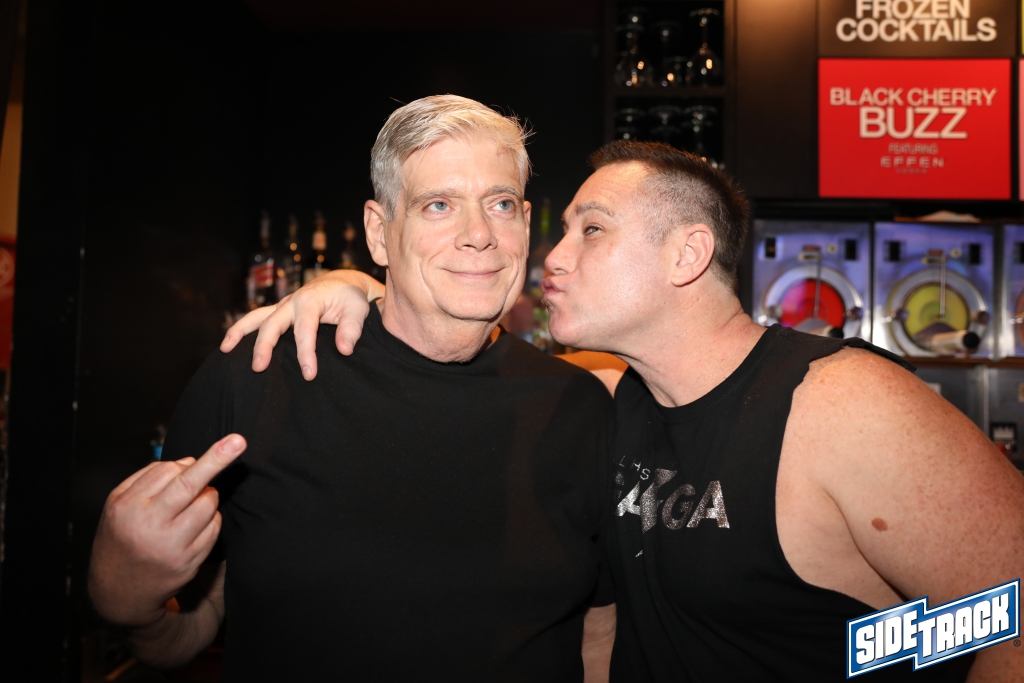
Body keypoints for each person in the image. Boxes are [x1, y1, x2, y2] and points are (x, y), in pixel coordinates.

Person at [228, 140, 1024, 681]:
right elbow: (446, 344)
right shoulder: (605, 394)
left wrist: (880, 653)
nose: (553, 255)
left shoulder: (845, 402)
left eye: (592, 230)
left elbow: (1006, 613)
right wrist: (354, 286)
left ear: (687, 254)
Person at [88, 95, 618, 682]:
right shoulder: (260, 374)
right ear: (378, 232)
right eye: (438, 205)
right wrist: (128, 603)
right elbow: (189, 630)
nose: (479, 234)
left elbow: (599, 635)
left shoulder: (580, 407)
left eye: (501, 204)